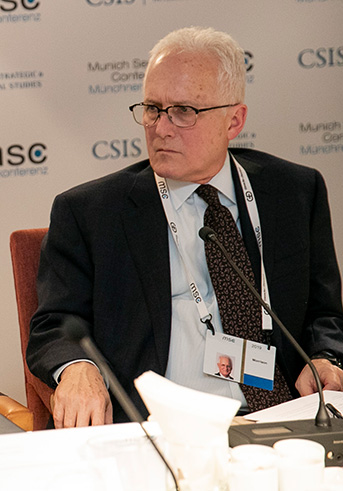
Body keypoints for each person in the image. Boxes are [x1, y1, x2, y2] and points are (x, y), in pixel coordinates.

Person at [27, 26, 343, 429]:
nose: (161, 128)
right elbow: (54, 325)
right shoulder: (90, 213)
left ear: (234, 120)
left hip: (281, 418)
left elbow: (325, 314)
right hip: (161, 428)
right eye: (153, 109)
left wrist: (326, 358)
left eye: (183, 111)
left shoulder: (296, 192)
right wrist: (77, 367)